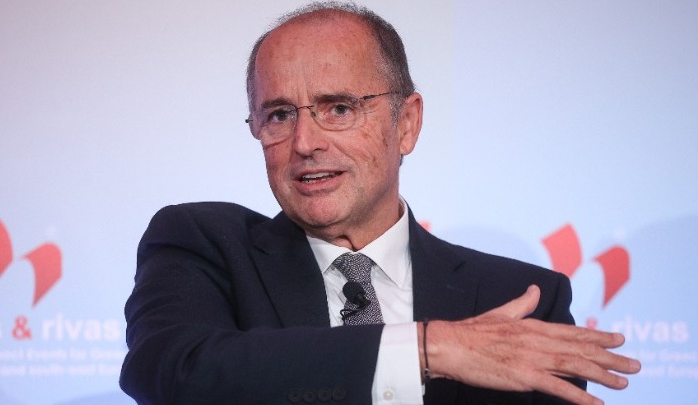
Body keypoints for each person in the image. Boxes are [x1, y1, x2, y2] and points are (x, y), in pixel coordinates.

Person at [119, 2, 640, 404]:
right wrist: (426, 349)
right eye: (279, 115)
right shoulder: (204, 246)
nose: (305, 143)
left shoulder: (517, 303)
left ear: (406, 124)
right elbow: (172, 373)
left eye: (338, 108)